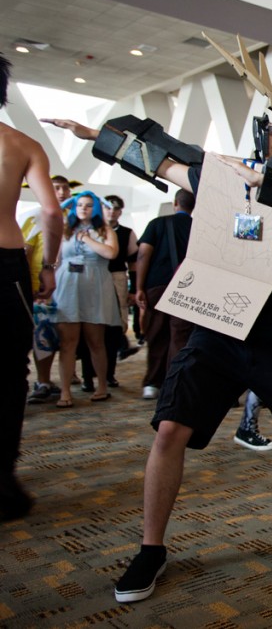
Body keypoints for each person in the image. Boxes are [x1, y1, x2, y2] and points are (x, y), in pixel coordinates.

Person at [47, 40, 272, 602]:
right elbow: (166, 161)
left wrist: (263, 183)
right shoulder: (223, 177)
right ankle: (151, 548)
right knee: (170, 429)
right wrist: (96, 138)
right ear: (263, 134)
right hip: (219, 326)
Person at [0, 52, 62, 519]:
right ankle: (3, 481)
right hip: (6, 264)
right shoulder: (20, 144)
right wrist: (49, 265)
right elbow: (52, 212)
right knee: (8, 372)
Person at [51, 191, 121, 407]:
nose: (83, 208)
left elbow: (111, 254)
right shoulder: (65, 229)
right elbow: (55, 258)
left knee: (95, 341)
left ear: (96, 208)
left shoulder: (105, 229)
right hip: (68, 285)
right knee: (67, 342)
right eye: (80, 204)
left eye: (89, 205)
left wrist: (88, 239)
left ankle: (101, 386)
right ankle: (65, 392)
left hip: (95, 287)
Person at [134, 189, 195, 401]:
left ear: (175, 202)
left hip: (157, 286)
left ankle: (152, 383)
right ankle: (175, 385)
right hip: (188, 288)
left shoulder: (157, 224)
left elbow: (143, 253)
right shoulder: (198, 227)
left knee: (157, 335)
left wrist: (139, 286)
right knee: (181, 337)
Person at [21, 174, 76, 403]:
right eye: (56, 188)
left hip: (70, 287)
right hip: (41, 287)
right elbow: (26, 251)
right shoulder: (35, 217)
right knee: (40, 336)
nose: (62, 192)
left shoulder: (74, 219)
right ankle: (43, 380)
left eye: (65, 188)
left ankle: (61, 379)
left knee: (62, 337)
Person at [81, 193, 139, 390]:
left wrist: (134, 289)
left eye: (116, 208)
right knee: (90, 326)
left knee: (114, 328)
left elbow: (133, 262)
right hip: (90, 278)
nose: (111, 211)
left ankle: (109, 375)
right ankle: (88, 376)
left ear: (120, 211)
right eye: (108, 207)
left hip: (116, 277)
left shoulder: (127, 233)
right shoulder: (88, 229)